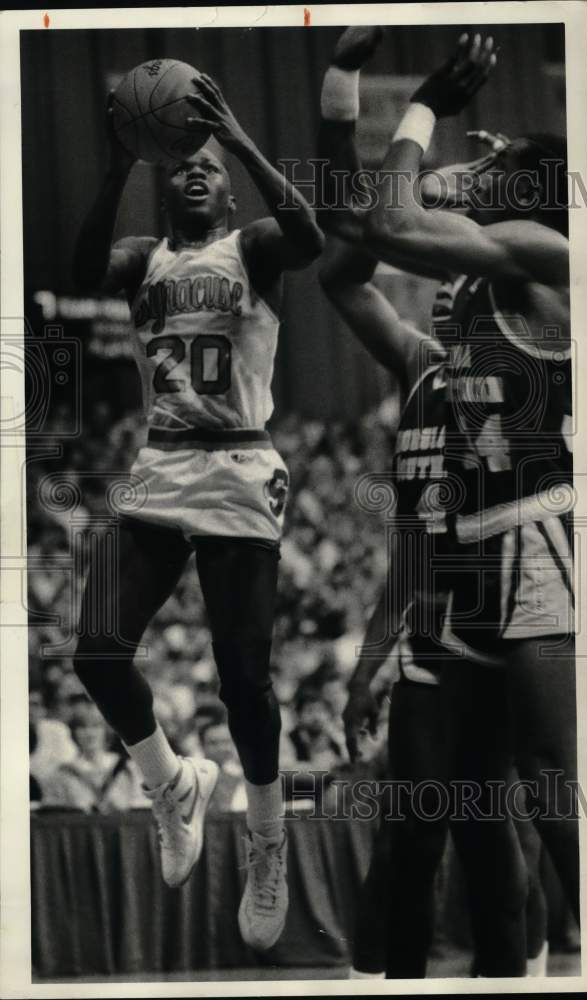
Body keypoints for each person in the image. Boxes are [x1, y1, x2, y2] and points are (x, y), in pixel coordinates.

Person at [317, 27, 552, 977]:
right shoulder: (421, 366)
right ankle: (390, 977)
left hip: (525, 597)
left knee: (502, 824)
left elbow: (382, 229)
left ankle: (527, 969)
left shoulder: (538, 306)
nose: (444, 293)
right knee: (417, 825)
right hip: (436, 615)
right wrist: (371, 657)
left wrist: (407, 124)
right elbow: (346, 259)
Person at [72, 71, 323, 950]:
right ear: (161, 171)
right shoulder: (145, 257)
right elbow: (71, 282)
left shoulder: (252, 246)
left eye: (210, 167)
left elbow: (310, 235)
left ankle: (266, 838)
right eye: (184, 163)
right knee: (96, 650)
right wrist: (115, 166)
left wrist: (242, 138)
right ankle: (173, 784)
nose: (197, 174)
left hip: (240, 463)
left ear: (226, 184)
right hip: (161, 462)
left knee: (244, 682)